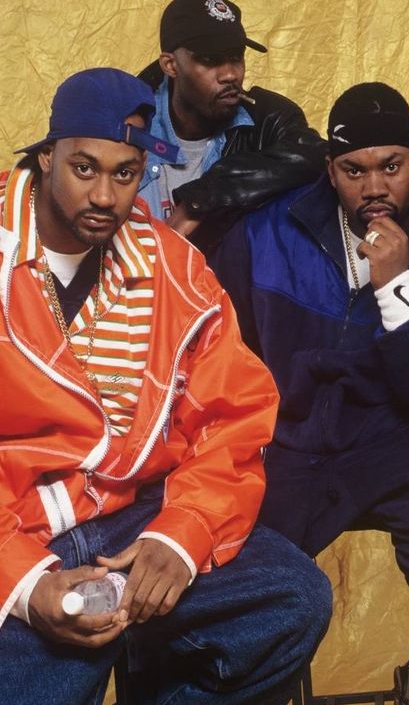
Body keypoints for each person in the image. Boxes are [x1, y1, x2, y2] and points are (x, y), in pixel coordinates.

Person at [0, 67, 330, 704]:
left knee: (294, 600)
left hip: (135, 515)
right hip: (21, 529)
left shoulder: (173, 266)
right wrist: (24, 583)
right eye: (84, 168)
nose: (104, 196)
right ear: (46, 157)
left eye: (124, 174)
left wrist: (181, 533)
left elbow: (233, 413)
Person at [211, 81, 409, 705]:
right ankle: (269, 677)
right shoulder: (267, 233)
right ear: (330, 170)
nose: (375, 187)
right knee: (227, 541)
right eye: (355, 170)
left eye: (391, 167)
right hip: (286, 438)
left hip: (393, 436)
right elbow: (216, 345)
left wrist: (398, 289)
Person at [136, 0, 326, 252]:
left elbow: (317, 155)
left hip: (220, 287)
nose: (229, 75)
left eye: (235, 57)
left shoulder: (267, 119)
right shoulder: (130, 118)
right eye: (210, 60)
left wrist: (203, 197)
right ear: (170, 65)